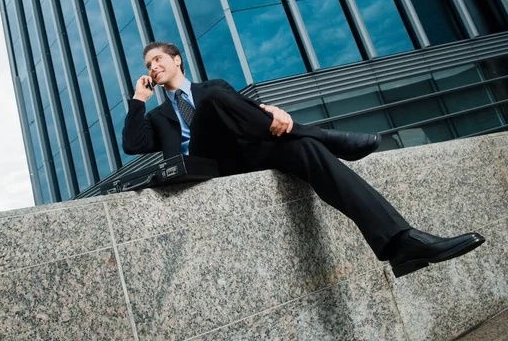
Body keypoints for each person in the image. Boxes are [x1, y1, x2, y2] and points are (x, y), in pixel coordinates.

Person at [122, 41, 485, 278]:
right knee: (216, 98)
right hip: (207, 164)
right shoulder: (157, 117)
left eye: (158, 59)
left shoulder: (210, 87)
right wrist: (139, 98)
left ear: (177, 60)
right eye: (149, 64)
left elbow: (245, 117)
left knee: (303, 150)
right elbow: (133, 144)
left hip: (245, 154)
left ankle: (400, 243)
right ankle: (323, 134)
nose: (154, 67)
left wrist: (271, 112)